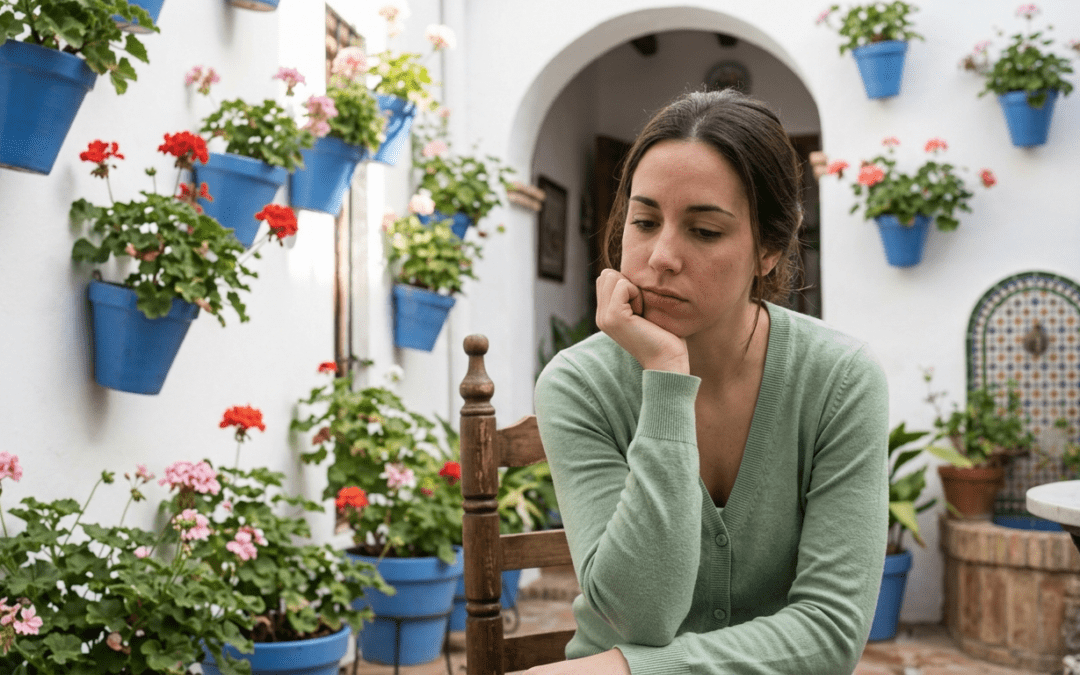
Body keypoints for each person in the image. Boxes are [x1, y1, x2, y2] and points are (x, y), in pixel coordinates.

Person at [532, 89, 889, 675]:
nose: (661, 256)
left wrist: (628, 670)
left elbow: (830, 633)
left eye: (704, 231)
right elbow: (638, 617)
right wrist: (667, 378)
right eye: (644, 222)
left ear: (769, 249)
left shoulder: (839, 381)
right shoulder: (579, 385)